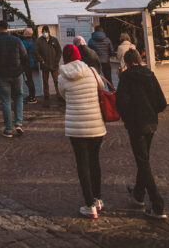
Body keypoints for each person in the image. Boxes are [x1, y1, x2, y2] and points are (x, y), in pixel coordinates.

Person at [115, 48, 167, 219]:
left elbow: (121, 103)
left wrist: (128, 117)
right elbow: (162, 102)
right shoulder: (149, 75)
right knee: (143, 158)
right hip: (151, 123)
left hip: (136, 124)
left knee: (143, 161)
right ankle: (138, 193)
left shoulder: (126, 78)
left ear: (126, 62)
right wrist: (151, 111)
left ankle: (157, 204)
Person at [58, 44, 106, 219]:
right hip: (96, 125)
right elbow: (102, 87)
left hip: (76, 126)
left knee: (82, 164)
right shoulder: (92, 71)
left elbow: (63, 95)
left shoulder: (62, 77)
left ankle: (89, 205)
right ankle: (98, 199)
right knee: (95, 161)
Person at [0, 20, 28, 138]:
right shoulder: (17, 40)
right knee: (19, 97)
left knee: (6, 100)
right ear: (7, 28)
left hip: (2, 74)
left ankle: (8, 129)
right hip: (17, 73)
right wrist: (21, 69)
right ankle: (19, 123)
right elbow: (24, 56)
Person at [35, 26, 62, 102]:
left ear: (49, 32)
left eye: (45, 32)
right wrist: (41, 60)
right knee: (45, 82)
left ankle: (59, 95)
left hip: (54, 65)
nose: (44, 33)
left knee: (57, 81)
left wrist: (56, 61)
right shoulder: (39, 41)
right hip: (44, 65)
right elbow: (36, 52)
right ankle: (46, 96)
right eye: (43, 32)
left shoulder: (54, 40)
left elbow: (59, 51)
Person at [20, 28, 38, 103]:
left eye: (24, 32)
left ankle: (32, 97)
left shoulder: (25, 42)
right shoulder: (33, 41)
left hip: (26, 64)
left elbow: (21, 52)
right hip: (31, 63)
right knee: (29, 80)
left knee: (28, 80)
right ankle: (31, 95)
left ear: (26, 33)